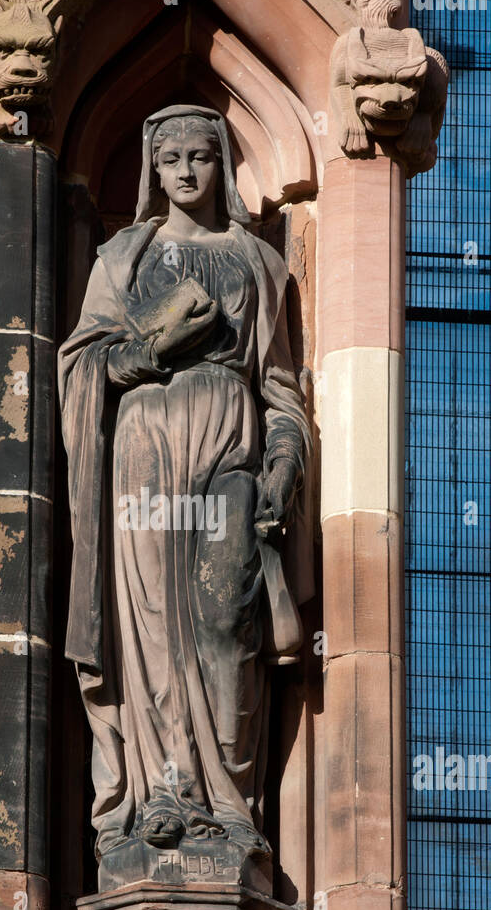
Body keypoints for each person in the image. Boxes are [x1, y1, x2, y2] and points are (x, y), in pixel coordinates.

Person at [59, 104, 310, 863]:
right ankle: (162, 792)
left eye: (202, 156)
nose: (187, 171)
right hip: (142, 452)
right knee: (152, 622)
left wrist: (283, 466)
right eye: (172, 160)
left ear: (220, 164)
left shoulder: (256, 263)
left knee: (224, 613)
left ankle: (231, 804)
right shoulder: (122, 258)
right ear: (153, 169)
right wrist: (149, 348)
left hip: (227, 452)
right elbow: (79, 364)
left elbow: (281, 390)